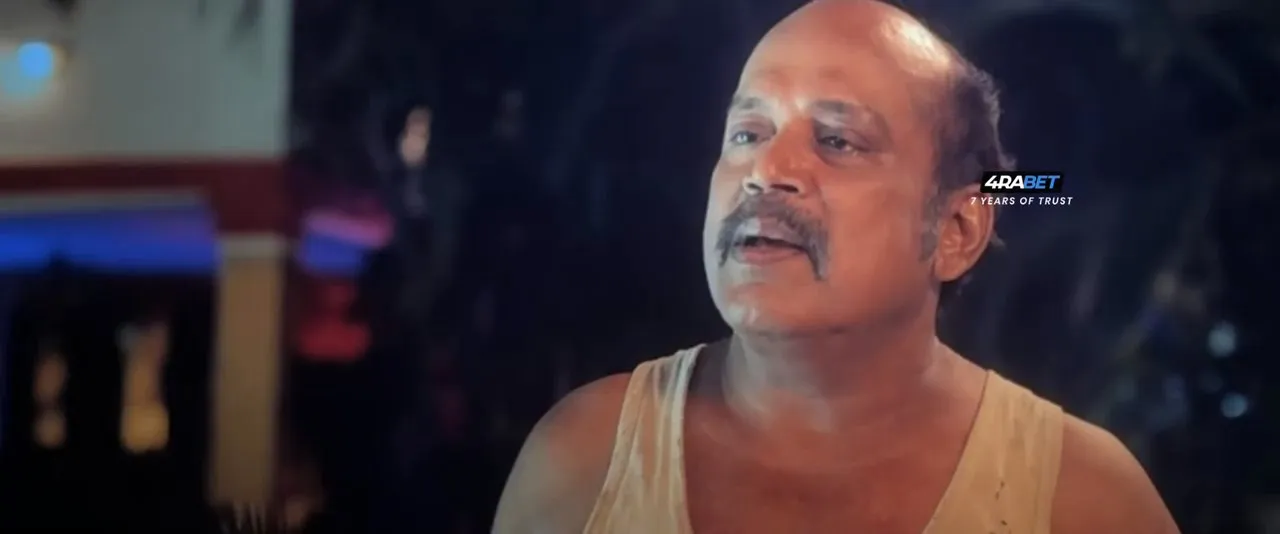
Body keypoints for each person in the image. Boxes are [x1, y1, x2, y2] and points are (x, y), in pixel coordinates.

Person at [492, 1, 1180, 533]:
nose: (766, 169)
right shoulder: (582, 463)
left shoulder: (1086, 503)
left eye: (837, 140)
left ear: (957, 230)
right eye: (746, 132)